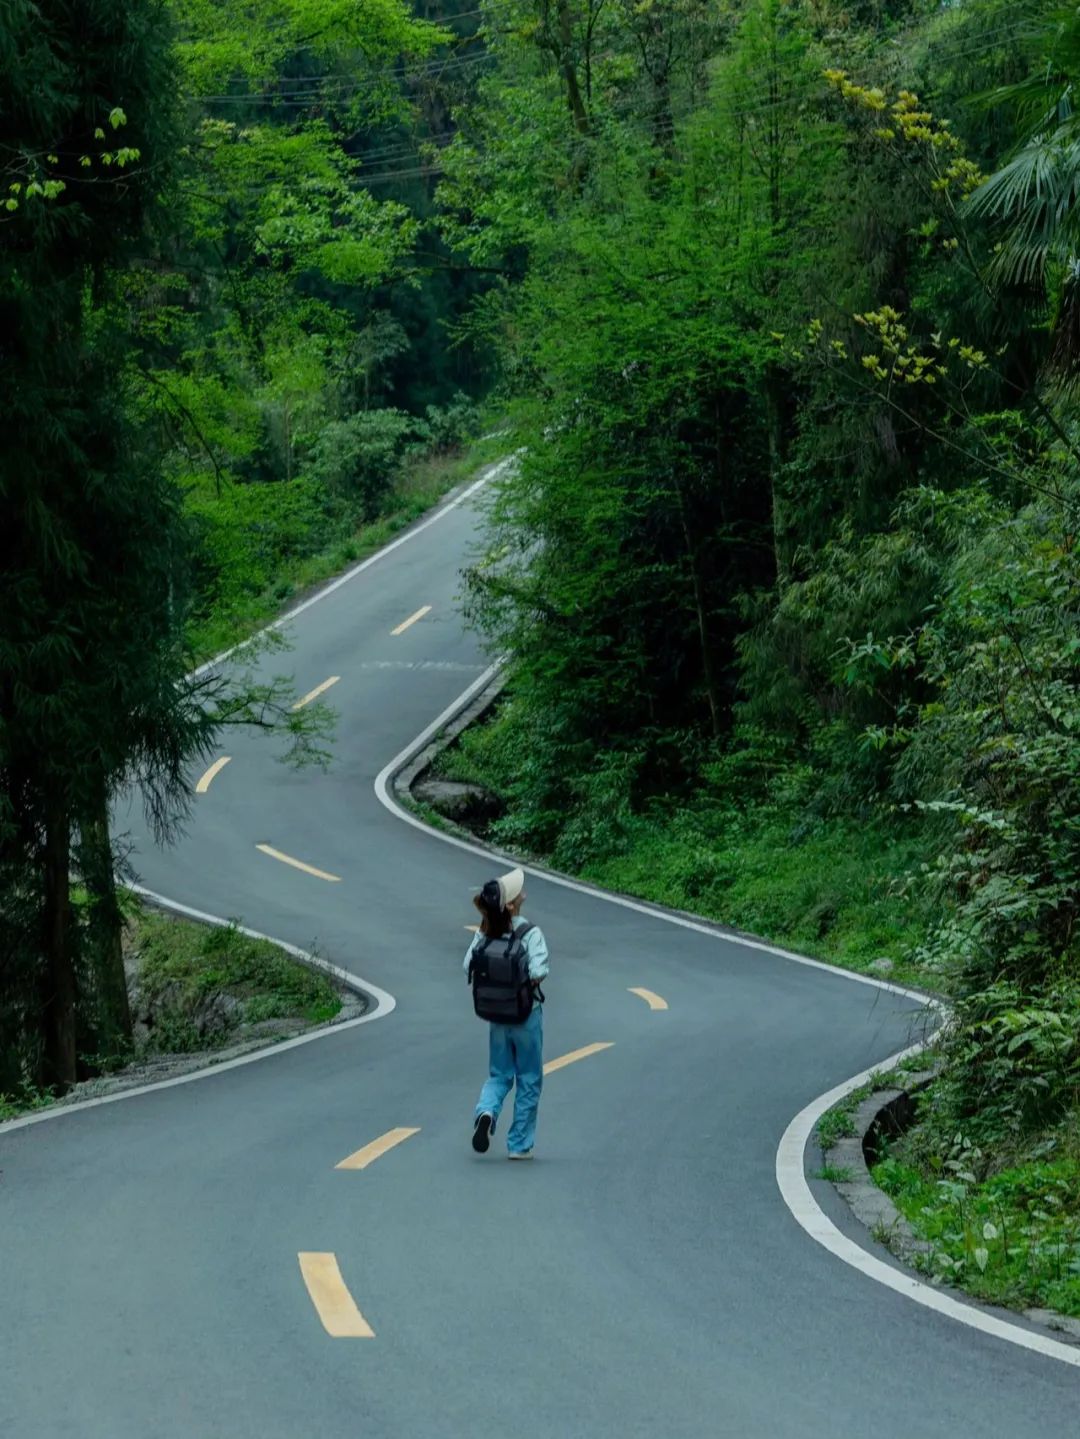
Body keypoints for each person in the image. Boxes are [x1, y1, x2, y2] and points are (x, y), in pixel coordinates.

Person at [464, 866, 549, 1160]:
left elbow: (467, 965)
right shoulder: (529, 932)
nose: (522, 891)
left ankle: (486, 1111)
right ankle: (519, 1145)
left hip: (496, 1017)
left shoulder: (485, 931)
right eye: (517, 891)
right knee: (529, 1077)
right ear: (512, 905)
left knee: (499, 1074)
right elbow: (539, 970)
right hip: (527, 1015)